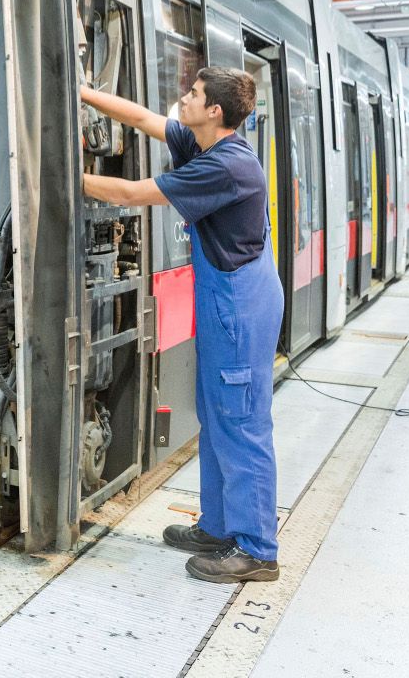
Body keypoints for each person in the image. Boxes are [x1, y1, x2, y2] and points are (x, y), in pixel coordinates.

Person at [81, 67, 282, 584]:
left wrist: (52, 172)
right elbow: (145, 118)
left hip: (240, 306)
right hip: (226, 300)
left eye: (192, 94)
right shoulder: (203, 143)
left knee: (241, 423)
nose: (183, 99)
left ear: (214, 111)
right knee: (217, 419)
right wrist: (81, 93)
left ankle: (258, 549)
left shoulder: (227, 166)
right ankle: (218, 528)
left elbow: (128, 194)